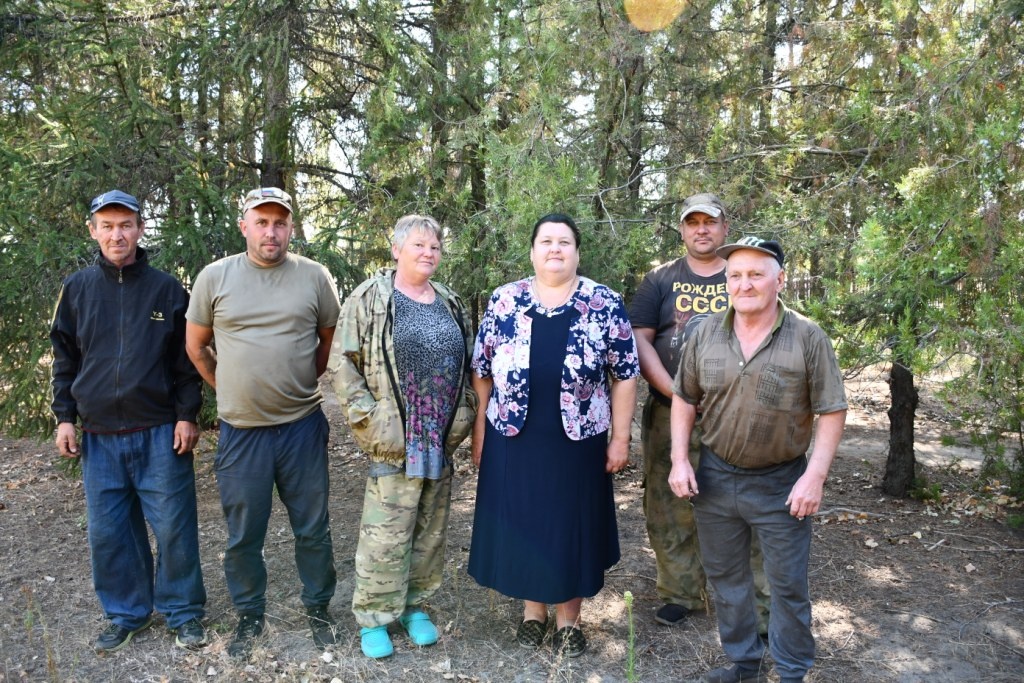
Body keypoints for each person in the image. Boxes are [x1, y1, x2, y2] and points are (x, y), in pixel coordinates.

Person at [669, 236, 847, 683]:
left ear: (779, 280)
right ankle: (744, 664)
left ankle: (791, 672)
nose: (744, 284)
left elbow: (832, 408)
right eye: (735, 275)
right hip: (715, 476)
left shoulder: (808, 337)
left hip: (780, 482)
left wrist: (815, 477)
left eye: (755, 274)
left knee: (787, 587)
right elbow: (684, 399)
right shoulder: (704, 332)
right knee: (727, 580)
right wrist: (679, 459)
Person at [468, 213, 639, 658]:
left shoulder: (604, 302)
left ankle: (569, 619)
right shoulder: (505, 300)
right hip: (513, 435)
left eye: (564, 242)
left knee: (569, 525)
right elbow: (481, 369)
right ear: (532, 251)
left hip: (577, 439)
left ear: (578, 253)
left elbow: (624, 375)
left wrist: (620, 438)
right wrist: (481, 429)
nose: (555, 249)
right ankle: (532, 613)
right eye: (546, 241)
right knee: (525, 522)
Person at [185, 187, 341, 657]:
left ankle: (319, 609)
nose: (270, 231)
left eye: (280, 223)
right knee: (243, 535)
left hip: (302, 427)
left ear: (291, 227)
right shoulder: (215, 277)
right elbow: (196, 347)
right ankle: (249, 616)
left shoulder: (314, 277)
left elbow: (326, 343)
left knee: (312, 528)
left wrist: (295, 382)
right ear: (244, 226)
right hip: (241, 434)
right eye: (261, 222)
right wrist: (229, 388)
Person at [50, 190, 207, 653]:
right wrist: (64, 418)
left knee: (175, 526)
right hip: (99, 438)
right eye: (107, 225)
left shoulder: (166, 289)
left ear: (140, 229)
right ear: (93, 229)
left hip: (159, 431)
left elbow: (186, 362)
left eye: (125, 225)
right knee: (110, 533)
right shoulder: (77, 289)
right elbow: (64, 358)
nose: (116, 234)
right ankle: (126, 613)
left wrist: (186, 415)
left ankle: (183, 613)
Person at [330, 214, 477, 659]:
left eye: (434, 246)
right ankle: (374, 616)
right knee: (386, 530)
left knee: (429, 529)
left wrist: (466, 412)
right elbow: (342, 364)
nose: (427, 253)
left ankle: (414, 605)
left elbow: (471, 363)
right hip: (395, 434)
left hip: (439, 434)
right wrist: (369, 419)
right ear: (396, 250)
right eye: (418, 245)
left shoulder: (449, 301)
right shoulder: (370, 298)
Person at [628, 193, 770, 631]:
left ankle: (751, 599)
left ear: (725, 228)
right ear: (683, 230)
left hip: (737, 413)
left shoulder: (742, 275)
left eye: (710, 222)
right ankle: (679, 592)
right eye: (693, 223)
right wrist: (675, 391)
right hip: (670, 410)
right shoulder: (660, 280)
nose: (702, 229)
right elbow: (640, 340)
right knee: (669, 504)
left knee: (744, 502)